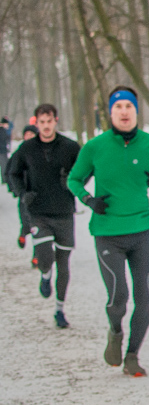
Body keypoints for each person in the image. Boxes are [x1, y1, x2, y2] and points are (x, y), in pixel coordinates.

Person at [68, 86, 149, 377]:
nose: (125, 112)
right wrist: (89, 200)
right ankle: (115, 331)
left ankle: (132, 355)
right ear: (111, 112)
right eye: (119, 107)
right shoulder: (95, 147)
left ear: (136, 111)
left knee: (144, 297)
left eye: (129, 106)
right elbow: (74, 180)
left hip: (142, 232)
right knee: (119, 297)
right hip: (107, 233)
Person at [5, 104, 82, 328]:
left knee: (64, 263)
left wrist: (72, 183)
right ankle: (45, 274)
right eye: (42, 122)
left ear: (55, 121)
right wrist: (22, 194)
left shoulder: (69, 147)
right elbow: (13, 172)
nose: (46, 126)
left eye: (49, 121)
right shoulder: (27, 148)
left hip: (64, 212)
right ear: (36, 123)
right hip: (38, 212)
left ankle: (59, 309)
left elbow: (84, 170)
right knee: (45, 257)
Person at [6, 123, 41, 250]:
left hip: (39, 193)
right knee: (26, 220)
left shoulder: (42, 151)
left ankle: (37, 255)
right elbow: (9, 172)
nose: (29, 136)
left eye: (32, 134)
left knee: (38, 225)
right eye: (27, 134)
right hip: (24, 192)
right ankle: (23, 233)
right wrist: (15, 189)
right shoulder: (19, 153)